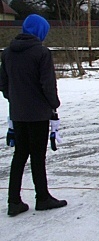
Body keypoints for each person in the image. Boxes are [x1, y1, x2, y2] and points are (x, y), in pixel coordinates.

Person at [0, 14, 67, 216]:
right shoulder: (41, 52)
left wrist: (15, 100)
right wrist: (54, 104)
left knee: (19, 155)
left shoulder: (7, 52)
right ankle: (43, 197)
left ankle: (13, 201)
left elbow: (3, 84)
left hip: (18, 113)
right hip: (38, 113)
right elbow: (47, 84)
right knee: (38, 156)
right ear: (40, 31)